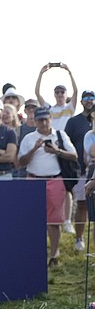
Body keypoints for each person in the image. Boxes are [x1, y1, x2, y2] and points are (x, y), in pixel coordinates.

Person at [18, 107, 78, 267]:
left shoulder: (60, 135)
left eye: (46, 119)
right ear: (35, 121)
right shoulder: (29, 138)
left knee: (54, 221)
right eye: (40, 120)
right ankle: (35, 254)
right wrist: (34, 149)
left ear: (51, 118)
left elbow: (74, 155)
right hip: (33, 179)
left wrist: (57, 151)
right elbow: (20, 162)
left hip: (54, 180)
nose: (44, 123)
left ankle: (54, 254)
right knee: (32, 220)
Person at [64, 90, 95, 251]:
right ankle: (79, 238)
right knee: (82, 204)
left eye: (92, 97)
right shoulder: (73, 122)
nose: (89, 100)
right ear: (81, 101)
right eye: (86, 98)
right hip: (82, 170)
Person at [35, 63, 78, 131]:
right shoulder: (49, 109)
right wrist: (41, 73)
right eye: (57, 92)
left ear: (66, 94)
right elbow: (37, 93)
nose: (59, 94)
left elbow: (75, 91)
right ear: (54, 95)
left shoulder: (70, 107)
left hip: (67, 138)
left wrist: (69, 72)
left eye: (62, 92)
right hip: (53, 138)